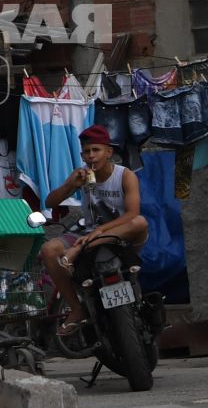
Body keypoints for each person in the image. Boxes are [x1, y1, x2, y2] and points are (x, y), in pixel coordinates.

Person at [36, 124, 148, 336]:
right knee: (49, 250)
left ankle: (79, 249)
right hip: (87, 232)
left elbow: (132, 214)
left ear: (109, 152)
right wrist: (70, 185)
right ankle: (77, 309)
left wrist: (98, 232)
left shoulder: (124, 175)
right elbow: (50, 202)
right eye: (86, 151)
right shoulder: (83, 177)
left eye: (96, 150)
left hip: (119, 232)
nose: (91, 156)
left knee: (141, 222)